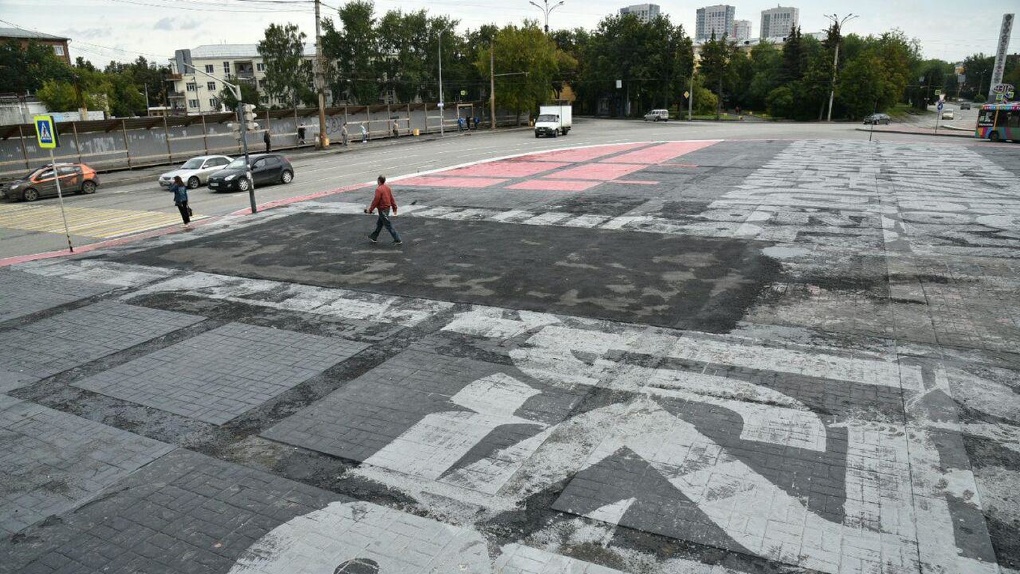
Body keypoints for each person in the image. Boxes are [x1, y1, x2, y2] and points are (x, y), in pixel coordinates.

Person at [364, 175, 401, 245]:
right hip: (387, 208)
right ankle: (374, 236)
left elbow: (375, 201)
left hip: (382, 210)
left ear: (379, 181)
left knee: (388, 225)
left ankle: (397, 239)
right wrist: (394, 208)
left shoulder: (378, 189)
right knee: (379, 224)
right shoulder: (388, 188)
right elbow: (391, 198)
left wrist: (370, 210)